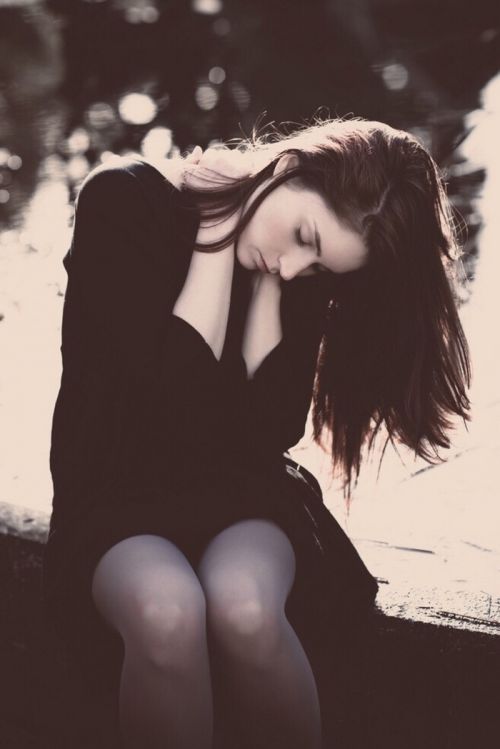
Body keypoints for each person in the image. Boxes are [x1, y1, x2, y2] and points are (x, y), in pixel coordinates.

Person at [41, 116, 470, 749]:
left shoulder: (289, 271)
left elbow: (268, 431)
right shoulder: (121, 201)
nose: (296, 268)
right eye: (303, 238)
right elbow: (169, 408)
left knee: (245, 604)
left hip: (238, 495)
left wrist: (267, 289)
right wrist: (216, 238)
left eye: (318, 267)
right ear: (288, 168)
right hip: (114, 494)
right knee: (166, 611)